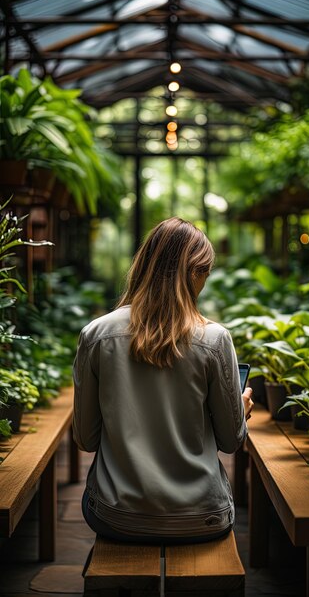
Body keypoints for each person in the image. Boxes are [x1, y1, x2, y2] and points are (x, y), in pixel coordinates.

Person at [73, 217, 253, 545]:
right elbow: (231, 441)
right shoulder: (215, 339)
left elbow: (85, 439)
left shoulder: (96, 335)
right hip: (203, 516)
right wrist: (239, 409)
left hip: (115, 514)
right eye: (205, 274)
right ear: (195, 272)